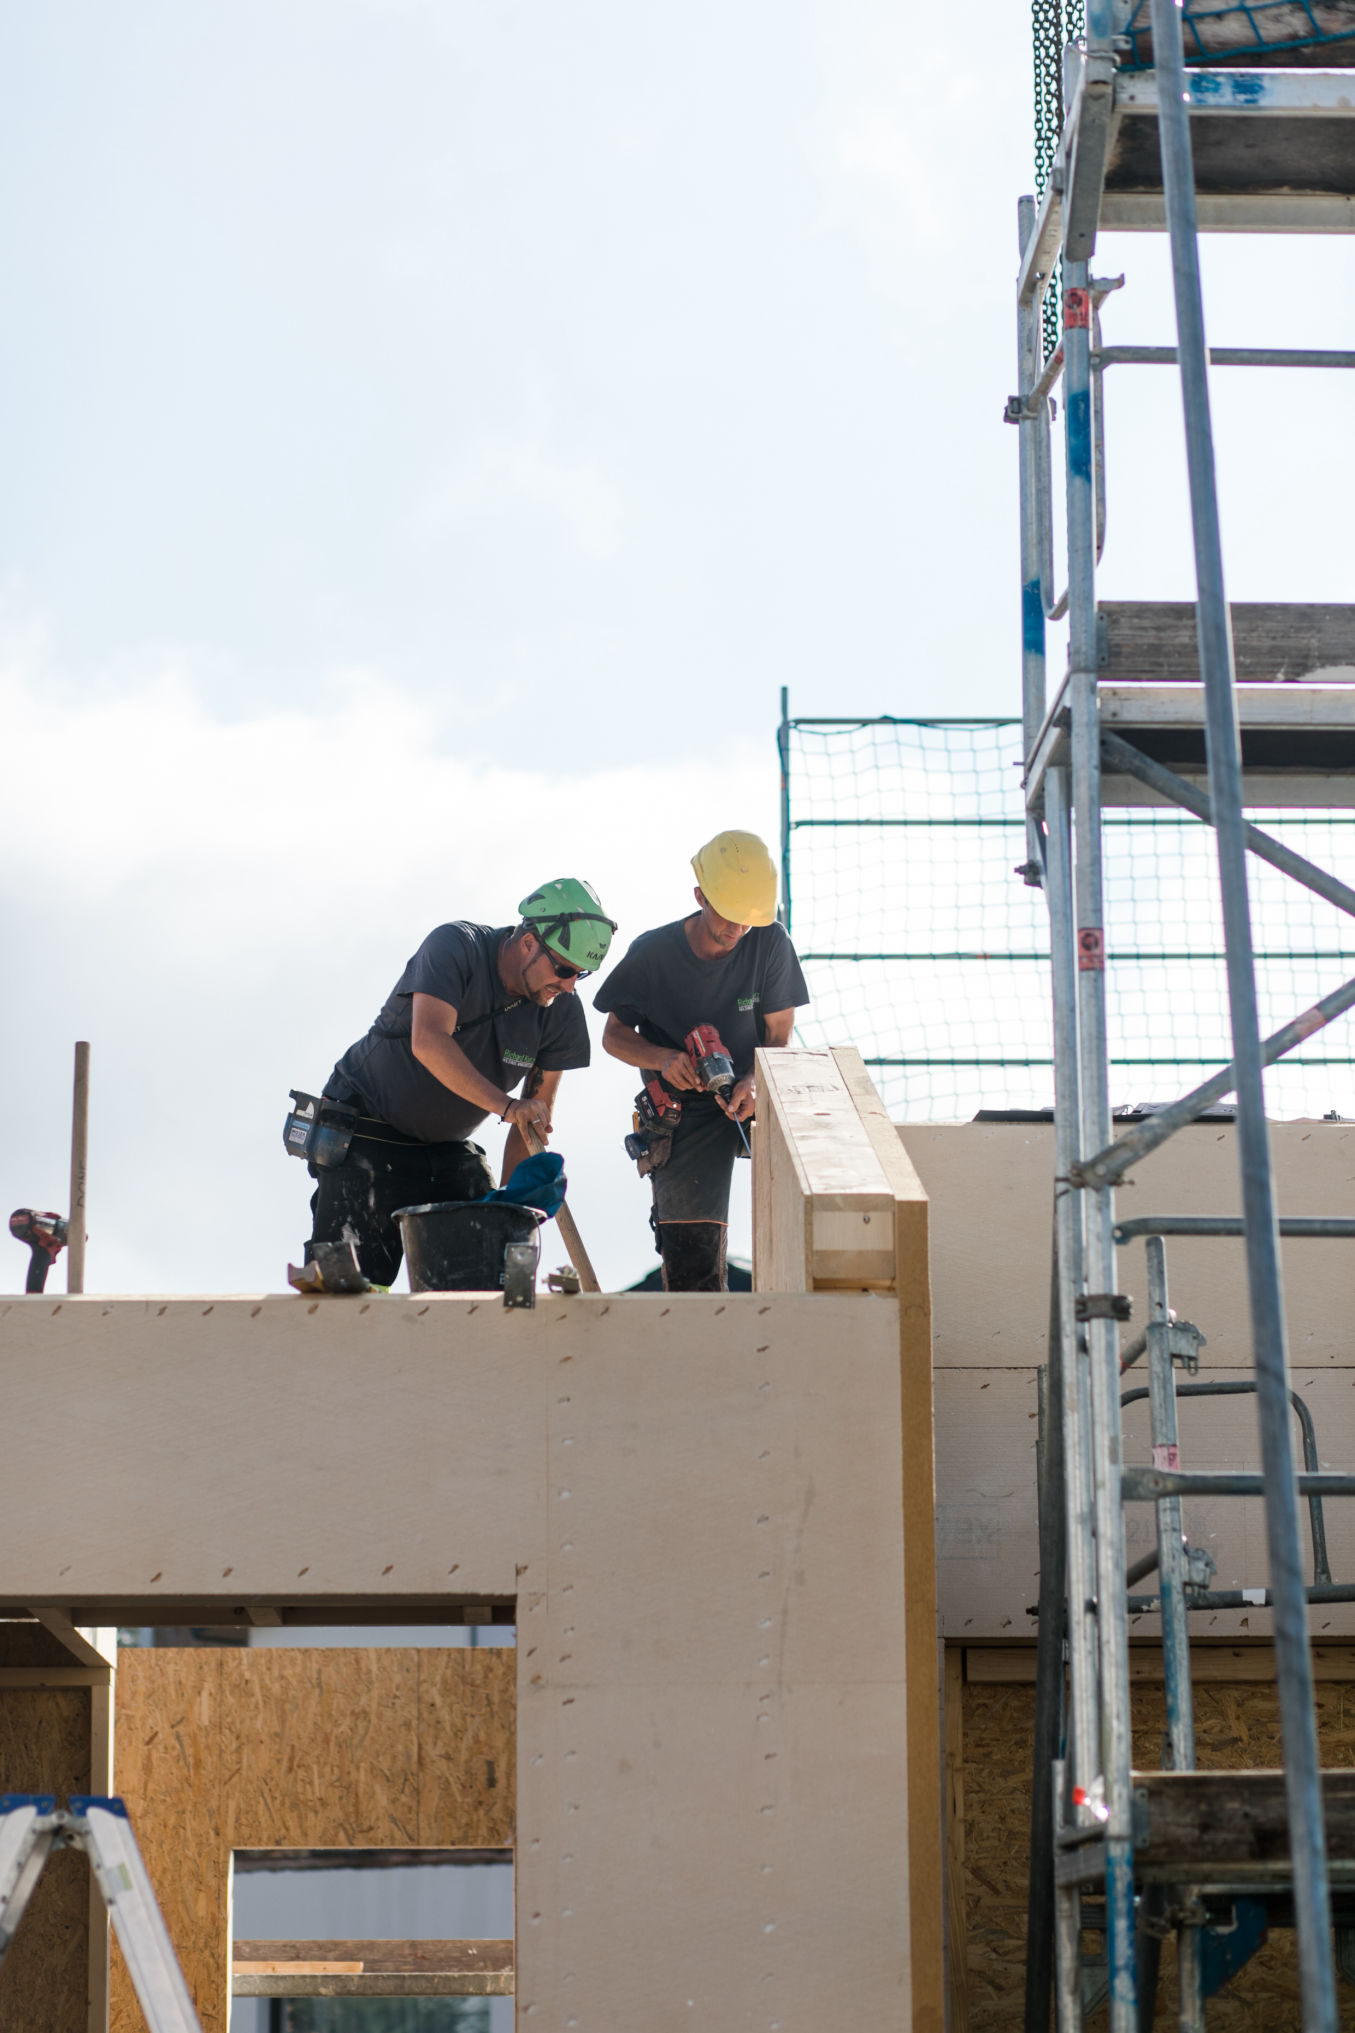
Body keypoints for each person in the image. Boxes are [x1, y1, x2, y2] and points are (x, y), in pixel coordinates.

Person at [304, 878, 616, 1287]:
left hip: (447, 1149)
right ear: (528, 942)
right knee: (349, 1292)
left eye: (581, 975)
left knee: (486, 1273)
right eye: (563, 969)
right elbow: (429, 1041)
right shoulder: (456, 946)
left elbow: (532, 1120)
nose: (570, 985)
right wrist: (506, 1106)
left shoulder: (560, 1009)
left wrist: (513, 1206)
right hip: (368, 1130)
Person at [594, 830, 809, 1292]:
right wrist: (664, 1058)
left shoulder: (769, 943)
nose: (737, 931)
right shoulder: (654, 954)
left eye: (747, 921)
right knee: (692, 1259)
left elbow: (778, 1038)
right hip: (683, 1109)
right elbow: (613, 1036)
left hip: (753, 1093)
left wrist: (755, 1078)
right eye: (728, 917)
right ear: (700, 896)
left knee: (818, 1175)